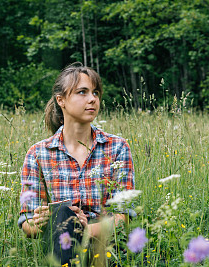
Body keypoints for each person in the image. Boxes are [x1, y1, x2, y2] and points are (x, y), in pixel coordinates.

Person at [18, 62, 135, 265]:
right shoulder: (38, 153)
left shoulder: (117, 147)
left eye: (96, 93)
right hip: (60, 243)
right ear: (61, 100)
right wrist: (39, 221)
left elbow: (123, 218)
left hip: (104, 245)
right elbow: (27, 226)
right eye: (83, 92)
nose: (92, 99)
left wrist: (86, 228)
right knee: (63, 213)